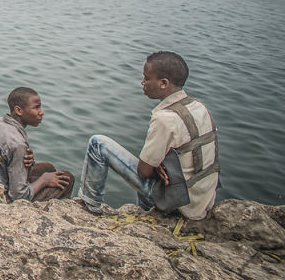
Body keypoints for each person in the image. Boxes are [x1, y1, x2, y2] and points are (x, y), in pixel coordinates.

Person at [77, 51, 219, 220]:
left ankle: (89, 205)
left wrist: (153, 167)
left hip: (179, 205)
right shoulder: (200, 107)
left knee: (98, 144)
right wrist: (158, 167)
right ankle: (146, 210)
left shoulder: (165, 119)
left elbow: (143, 172)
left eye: (146, 78)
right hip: (202, 200)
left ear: (163, 83)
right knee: (154, 166)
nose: (142, 82)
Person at [0, 87, 74, 202]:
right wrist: (44, 180)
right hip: (4, 197)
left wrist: (22, 161)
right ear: (19, 110)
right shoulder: (18, 144)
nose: (41, 112)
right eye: (36, 107)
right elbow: (18, 195)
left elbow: (5, 157)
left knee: (48, 168)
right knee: (67, 179)